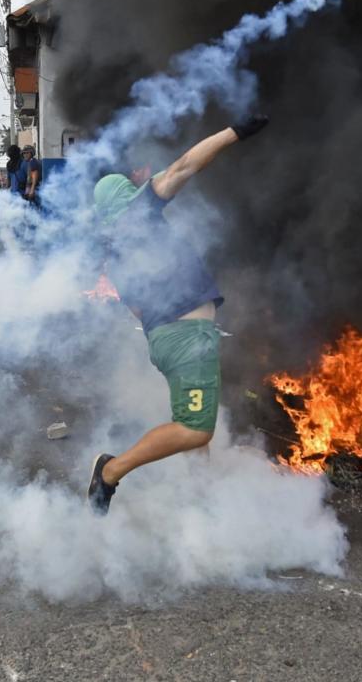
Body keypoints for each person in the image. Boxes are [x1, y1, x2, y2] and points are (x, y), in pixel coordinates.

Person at [85, 115, 269, 515]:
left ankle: (200, 503)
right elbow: (185, 165)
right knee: (195, 428)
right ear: (128, 197)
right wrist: (234, 132)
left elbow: (136, 308)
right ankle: (111, 471)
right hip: (187, 339)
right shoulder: (140, 212)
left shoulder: (113, 254)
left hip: (166, 341)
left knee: (191, 421)